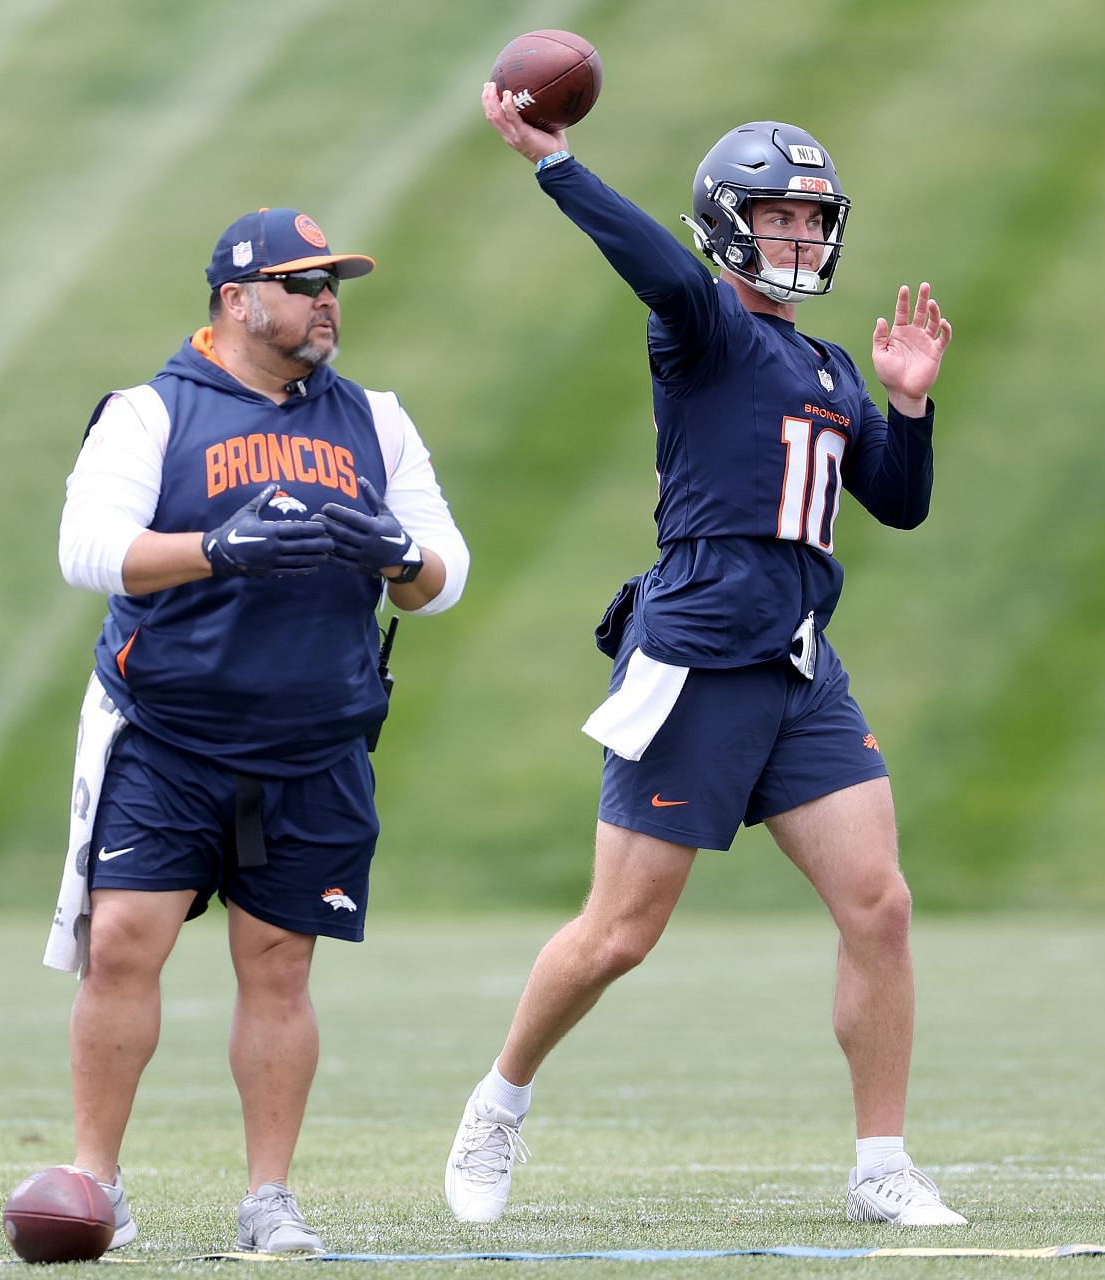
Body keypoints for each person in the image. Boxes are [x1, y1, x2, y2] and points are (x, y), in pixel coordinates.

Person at [444, 91, 964, 1228]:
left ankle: (881, 1160)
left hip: (797, 660)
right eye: (778, 218)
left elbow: (901, 504)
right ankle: (499, 1098)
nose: (800, 239)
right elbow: (665, 275)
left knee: (878, 905)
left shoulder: (827, 365)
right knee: (621, 931)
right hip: (697, 646)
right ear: (728, 222)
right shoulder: (703, 327)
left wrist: (908, 407)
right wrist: (557, 167)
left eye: (810, 220)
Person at [49, 208, 469, 1253]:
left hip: (313, 740)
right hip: (170, 730)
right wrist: (218, 547)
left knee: (279, 965)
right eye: (304, 282)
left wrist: (399, 552)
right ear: (238, 300)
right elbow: (87, 547)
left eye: (335, 283)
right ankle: (95, 1179)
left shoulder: (375, 418)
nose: (329, 300)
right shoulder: (152, 411)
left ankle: (269, 1196)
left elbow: (446, 574)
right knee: (123, 944)